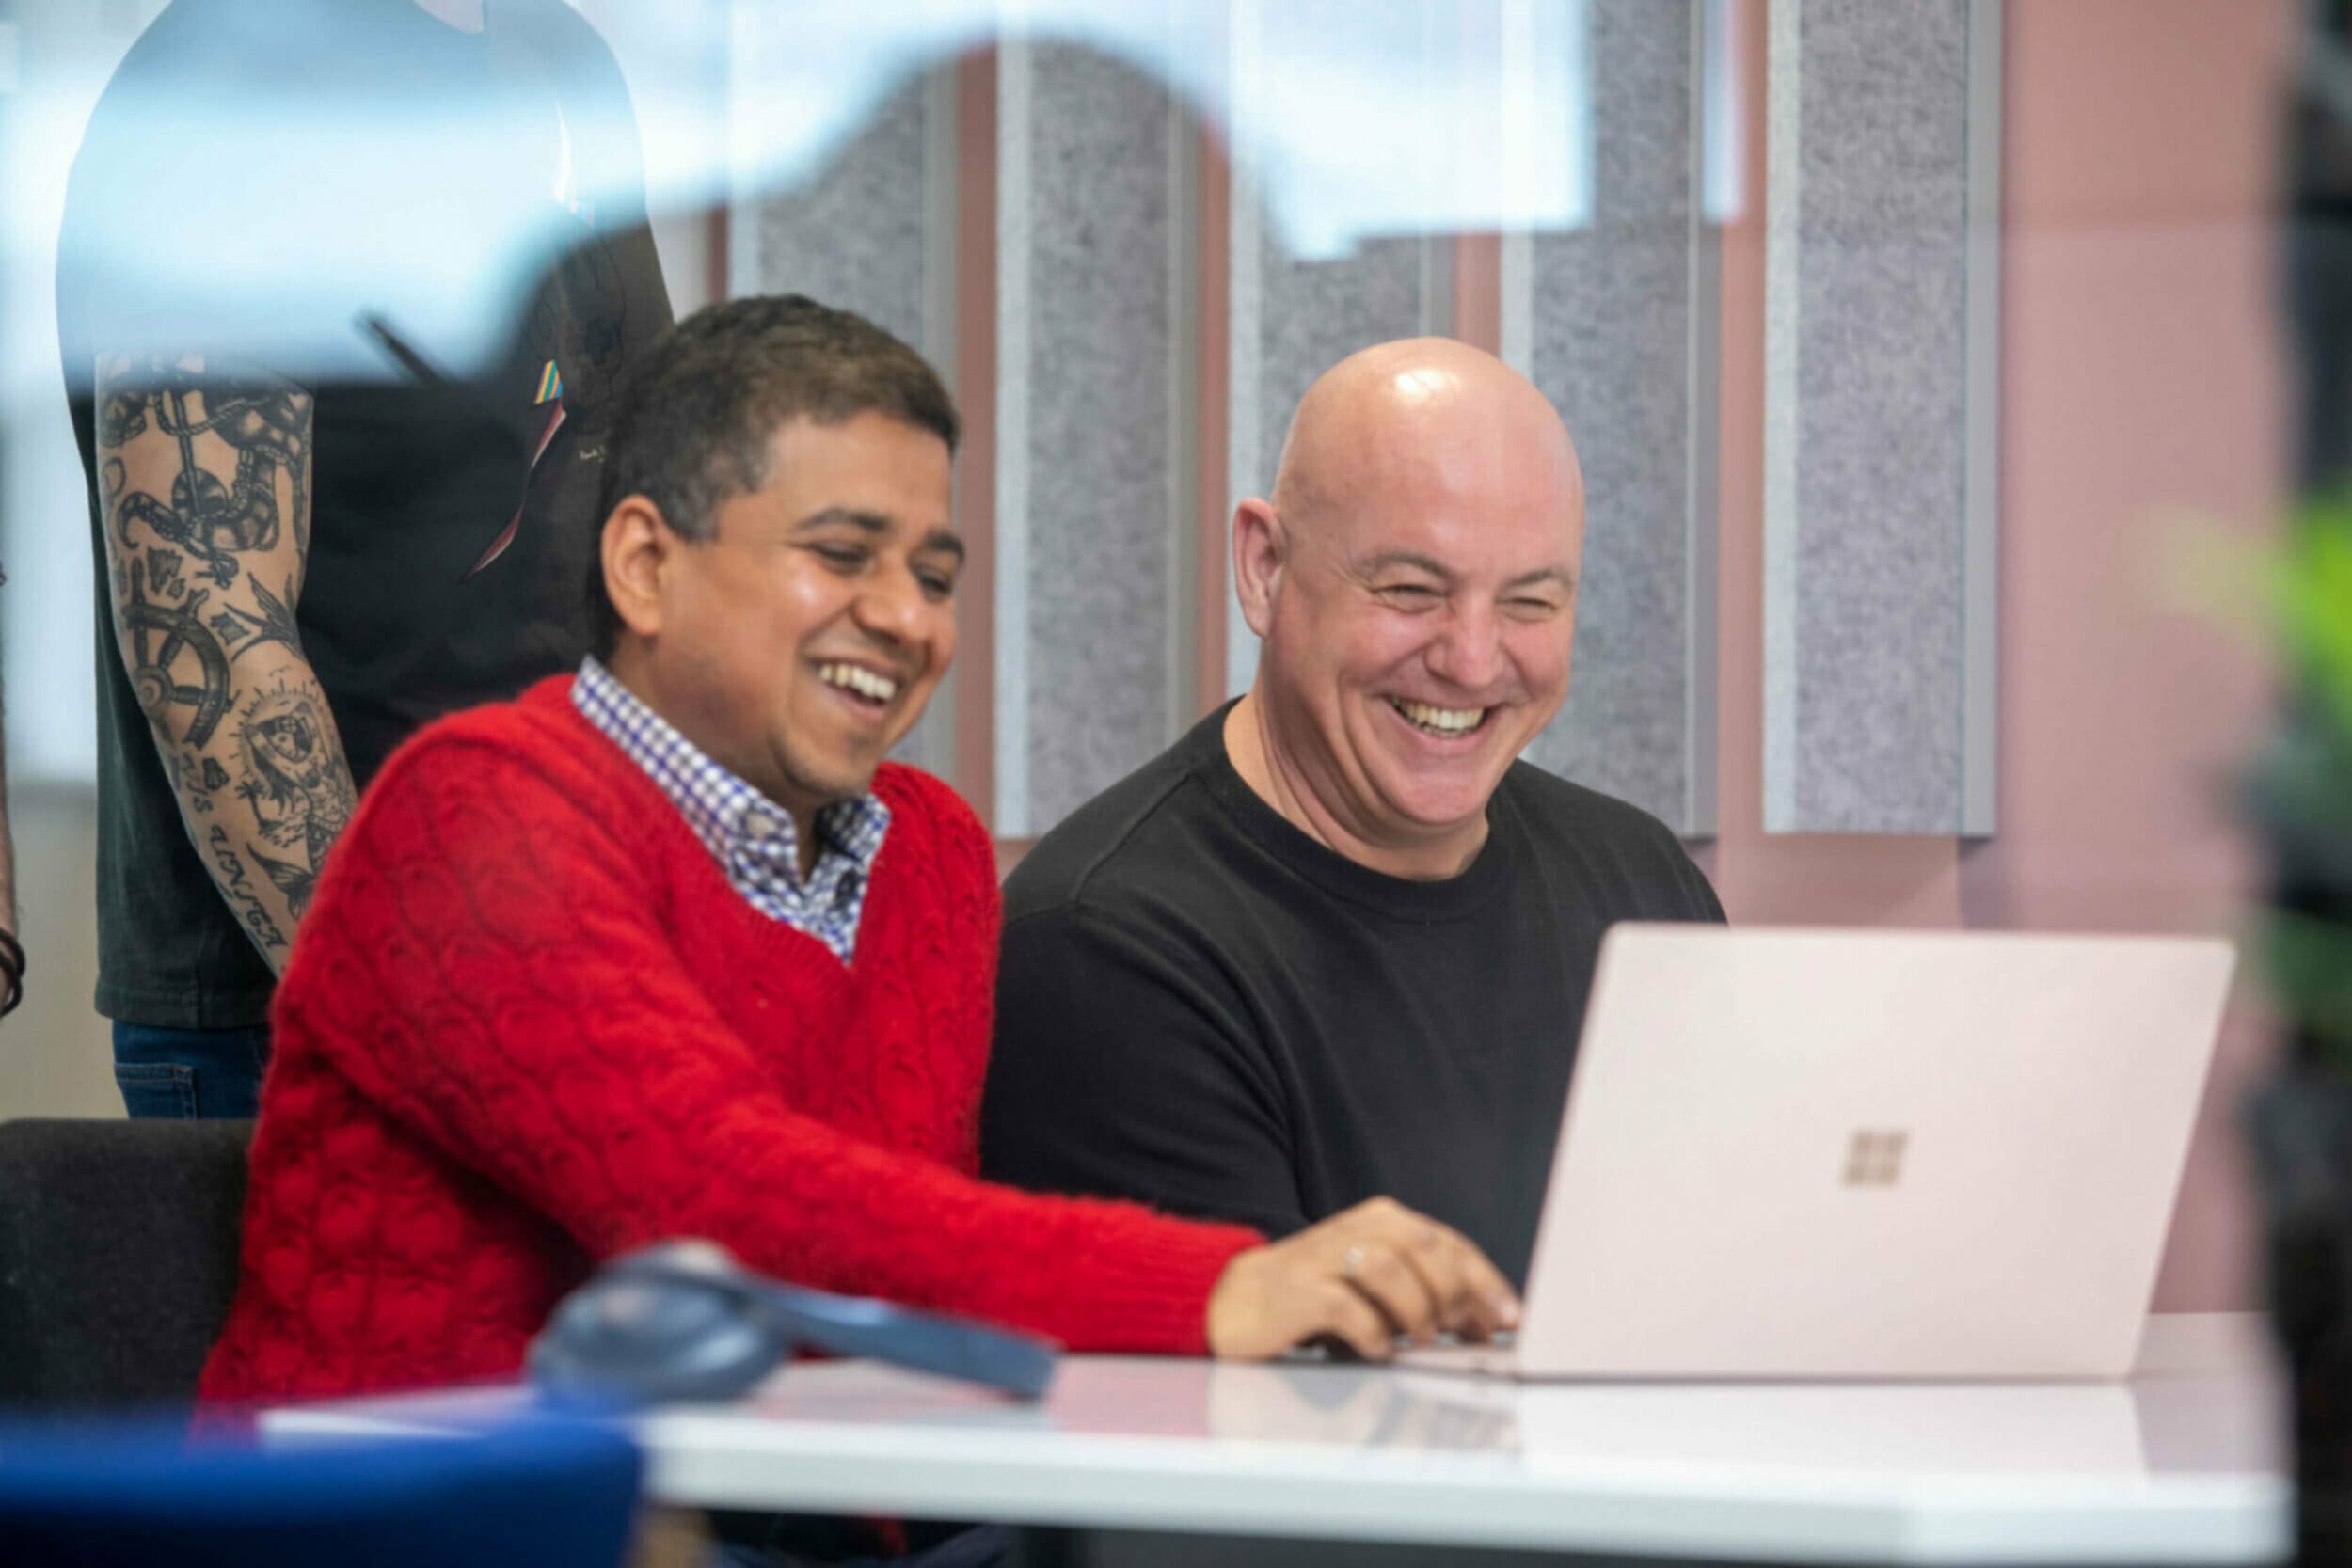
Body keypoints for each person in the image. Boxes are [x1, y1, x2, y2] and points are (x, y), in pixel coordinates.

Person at [199, 296, 1520, 1418]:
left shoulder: (927, 849)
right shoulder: (477, 811)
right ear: (648, 566)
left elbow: (890, 1310)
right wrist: (1221, 1281)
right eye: (840, 556)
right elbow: (722, 1206)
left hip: (813, 1511)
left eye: (934, 574)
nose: (900, 617)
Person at [982, 338, 1724, 1289]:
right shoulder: (1104, 950)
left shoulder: (1640, 878)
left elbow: (1736, 1273)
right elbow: (1263, 1414)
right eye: (1411, 590)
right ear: (1264, 567)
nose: (1469, 658)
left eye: (1529, 602)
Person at [56, 0, 672, 1118]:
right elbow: (209, 630)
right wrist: (416, 1022)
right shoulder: (225, 98)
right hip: (321, 1022)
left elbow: (631, 489)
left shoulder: (559, 55)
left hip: (584, 969)